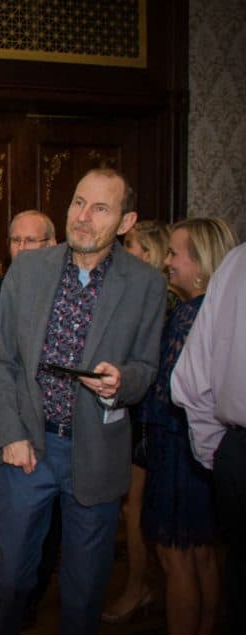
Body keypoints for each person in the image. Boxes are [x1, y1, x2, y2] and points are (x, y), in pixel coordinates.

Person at [0, 168, 167, 635]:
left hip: (97, 453)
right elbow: (0, 361)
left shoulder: (146, 284)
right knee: (9, 576)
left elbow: (146, 368)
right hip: (29, 447)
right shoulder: (28, 270)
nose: (83, 217)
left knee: (85, 591)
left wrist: (122, 381)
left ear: (126, 222)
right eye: (78, 203)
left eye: (100, 208)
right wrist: (10, 434)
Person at [140, 217, 237, 635]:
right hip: (206, 450)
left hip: (179, 449)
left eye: (174, 254)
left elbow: (170, 393)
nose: (166, 262)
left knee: (175, 556)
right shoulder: (216, 311)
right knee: (203, 554)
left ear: (200, 265)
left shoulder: (187, 316)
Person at [0, 210, 59, 629]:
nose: (22, 249)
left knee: (47, 519)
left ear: (51, 245)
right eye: (15, 241)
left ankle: (32, 591)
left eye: (31, 241)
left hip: (45, 427)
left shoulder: (64, 295)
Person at [172, 241, 246, 634]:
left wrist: (215, 453)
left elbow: (190, 380)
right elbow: (192, 380)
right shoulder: (236, 262)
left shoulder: (236, 262)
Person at [101, 219, 173, 624]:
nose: (123, 253)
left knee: (136, 508)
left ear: (148, 253)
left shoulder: (160, 298)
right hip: (139, 410)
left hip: (149, 415)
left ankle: (139, 587)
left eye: (128, 245)